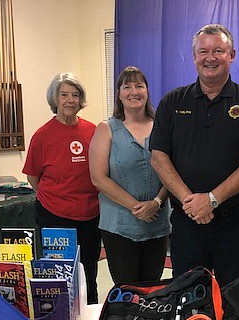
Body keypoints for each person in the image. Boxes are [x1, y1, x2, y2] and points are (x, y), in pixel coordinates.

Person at [150, 24, 239, 287]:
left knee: (237, 299)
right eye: (203, 51)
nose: (210, 57)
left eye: (219, 50)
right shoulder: (172, 102)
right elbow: (158, 157)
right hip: (187, 222)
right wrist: (191, 202)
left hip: (235, 225)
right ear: (194, 57)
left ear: (232, 55)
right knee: (187, 297)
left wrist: (213, 200)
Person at [22, 73, 101, 304]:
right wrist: (56, 197)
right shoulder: (42, 135)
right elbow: (33, 177)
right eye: (64, 95)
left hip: (90, 215)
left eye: (75, 95)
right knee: (58, 277)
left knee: (89, 273)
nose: (70, 100)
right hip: (55, 216)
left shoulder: (93, 131)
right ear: (54, 99)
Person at [89, 66, 170, 284]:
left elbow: (172, 171)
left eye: (139, 86)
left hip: (157, 223)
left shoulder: (162, 126)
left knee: (153, 288)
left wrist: (157, 202)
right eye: (127, 86)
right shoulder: (106, 129)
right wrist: (137, 207)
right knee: (126, 292)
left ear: (147, 91)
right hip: (119, 226)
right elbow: (98, 178)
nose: (134, 91)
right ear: (119, 94)